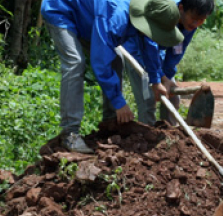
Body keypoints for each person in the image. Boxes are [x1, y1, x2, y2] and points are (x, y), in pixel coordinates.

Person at [41, 0, 184, 153]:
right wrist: (119, 101)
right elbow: (101, 63)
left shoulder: (146, 18)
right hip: (61, 9)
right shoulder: (116, 20)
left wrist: (156, 81)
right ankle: (70, 133)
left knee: (115, 58)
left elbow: (148, 45)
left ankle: (110, 123)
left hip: (89, 21)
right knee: (75, 63)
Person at [122, 0, 214, 126]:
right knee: (148, 100)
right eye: (194, 18)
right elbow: (149, 45)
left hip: (157, 54)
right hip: (138, 55)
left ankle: (170, 137)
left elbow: (178, 50)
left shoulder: (190, 24)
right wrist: (158, 79)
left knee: (173, 97)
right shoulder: (163, 12)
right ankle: (147, 137)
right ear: (181, 8)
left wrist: (167, 77)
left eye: (201, 20)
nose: (196, 23)